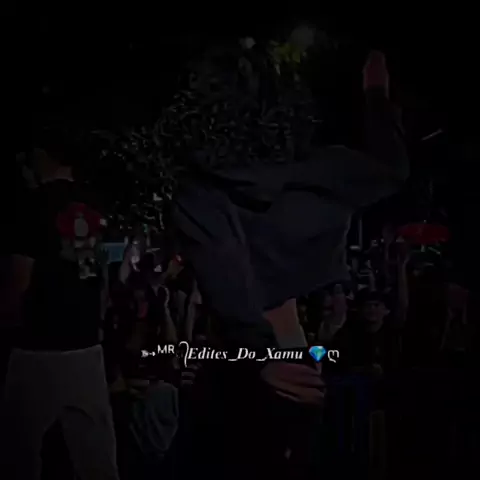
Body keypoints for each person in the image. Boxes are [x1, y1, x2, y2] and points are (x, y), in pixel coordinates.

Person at [166, 27, 408, 476]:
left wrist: (259, 354)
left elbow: (226, 273)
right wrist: (376, 93)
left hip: (245, 361)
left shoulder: (200, 192)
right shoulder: (318, 173)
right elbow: (391, 169)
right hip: (290, 357)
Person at [2, 125, 119, 479]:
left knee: (18, 452)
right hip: (85, 343)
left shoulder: (31, 206)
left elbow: (18, 279)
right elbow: (101, 273)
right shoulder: (94, 205)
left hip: (38, 345)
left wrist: (8, 325)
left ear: (42, 155)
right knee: (96, 455)